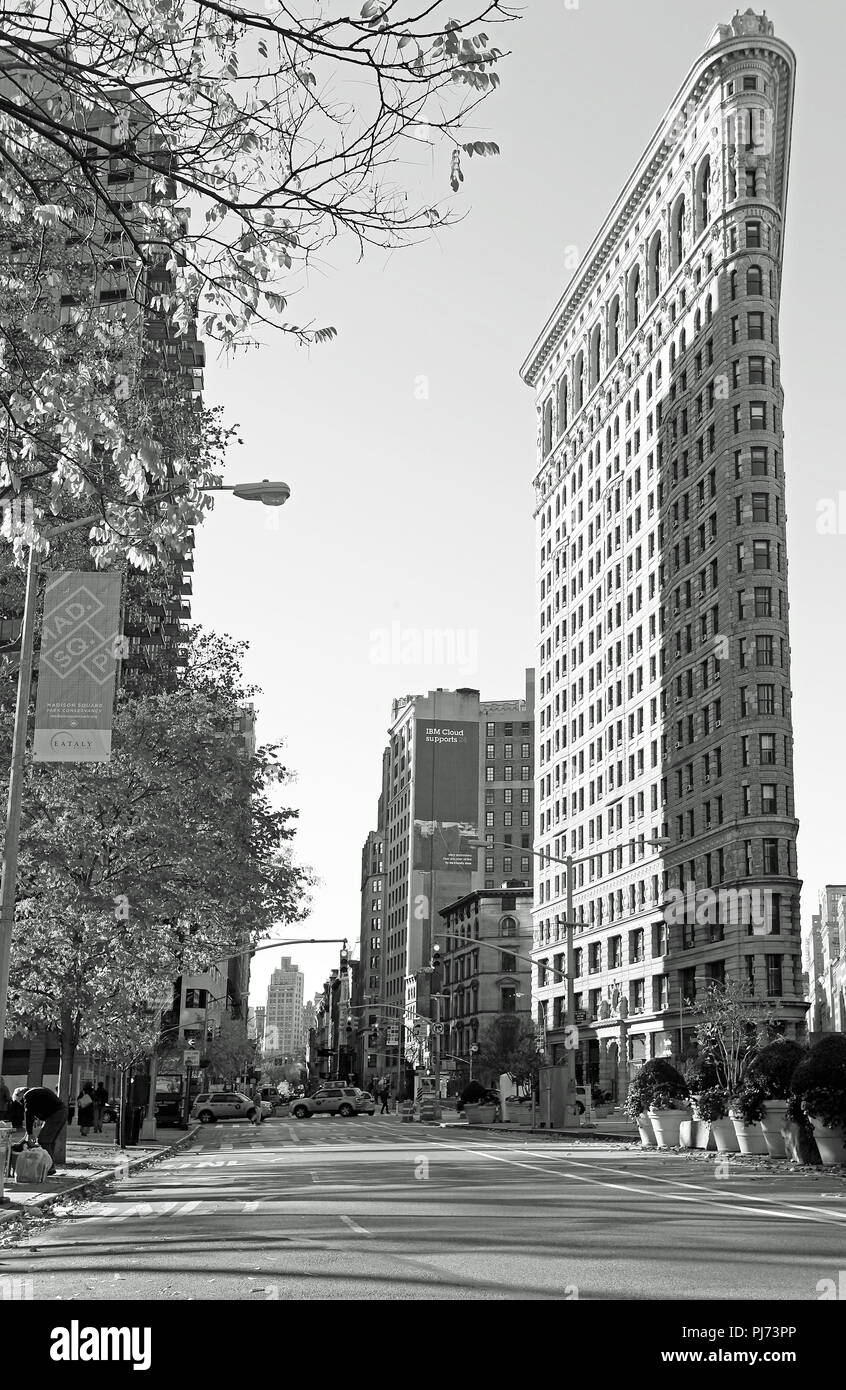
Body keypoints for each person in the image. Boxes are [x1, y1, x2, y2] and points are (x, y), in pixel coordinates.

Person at [14, 1085, 68, 1177]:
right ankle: (50, 1166)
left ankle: (49, 1168)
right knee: (49, 1141)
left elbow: (28, 1114)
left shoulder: (28, 1095)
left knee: (44, 1141)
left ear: (20, 1095)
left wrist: (30, 1133)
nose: (21, 1104)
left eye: (19, 1101)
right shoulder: (35, 1092)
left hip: (56, 1114)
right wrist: (28, 1134)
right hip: (60, 1112)